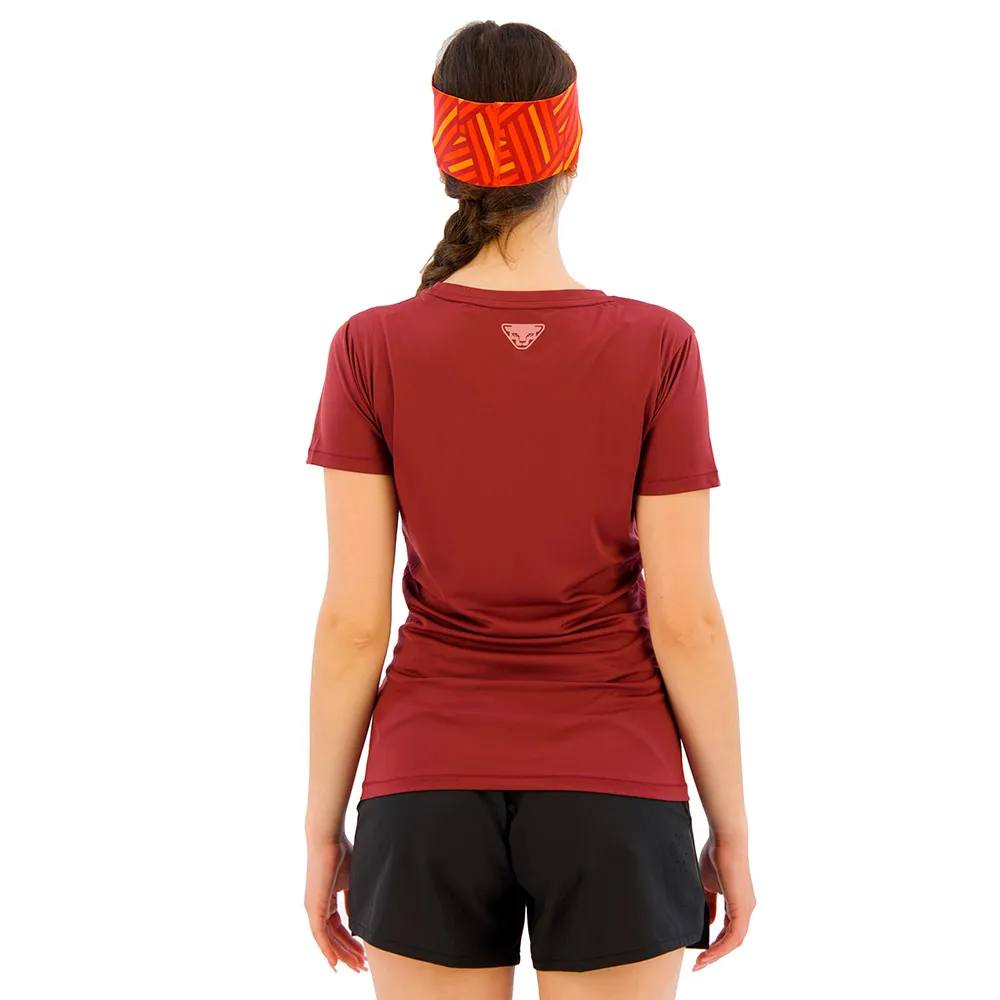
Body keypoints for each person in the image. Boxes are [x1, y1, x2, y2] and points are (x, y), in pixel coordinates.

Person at [302, 19, 755, 1000]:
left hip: (422, 786)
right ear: (571, 149)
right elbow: (687, 620)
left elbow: (351, 626)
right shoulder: (658, 347)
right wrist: (732, 833)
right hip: (615, 786)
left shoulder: (369, 348)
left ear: (445, 158)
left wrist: (320, 832)